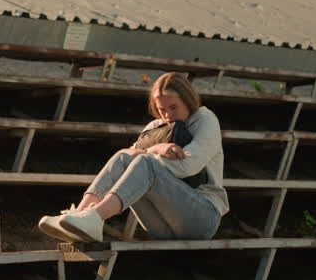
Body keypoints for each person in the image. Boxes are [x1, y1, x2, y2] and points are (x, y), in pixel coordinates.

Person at [38, 72, 227, 243]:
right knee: (123, 157)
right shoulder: (155, 127)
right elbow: (128, 159)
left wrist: (149, 153)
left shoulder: (205, 119)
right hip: (161, 224)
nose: (168, 115)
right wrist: (157, 148)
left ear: (188, 101)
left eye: (173, 107)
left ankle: (96, 217)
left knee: (145, 163)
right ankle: (79, 215)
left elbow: (187, 166)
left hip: (202, 218)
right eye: (162, 109)